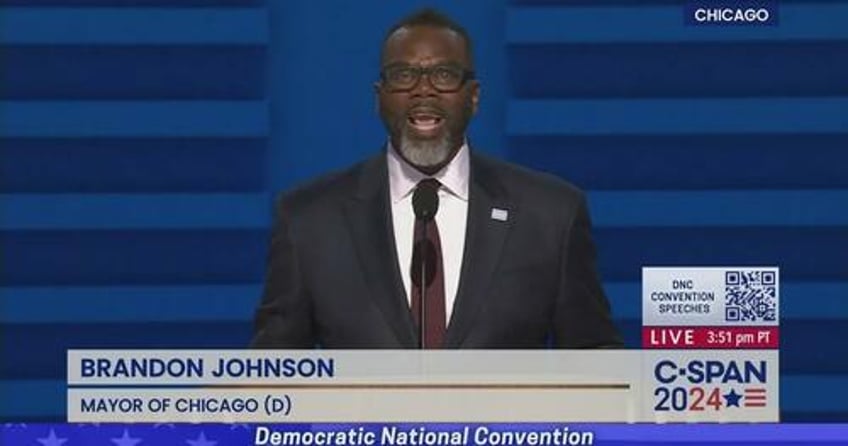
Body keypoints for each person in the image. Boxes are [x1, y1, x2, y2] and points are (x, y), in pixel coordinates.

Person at [252, 9, 622, 349]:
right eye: (403, 75)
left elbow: (596, 358)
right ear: (378, 98)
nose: (423, 90)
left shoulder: (550, 215)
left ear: (473, 98)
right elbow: (272, 374)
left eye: (444, 76)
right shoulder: (309, 219)